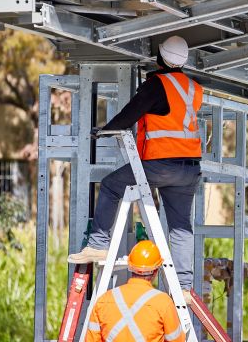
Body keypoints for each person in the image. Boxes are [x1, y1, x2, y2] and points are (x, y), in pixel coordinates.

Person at [67, 35, 202, 301]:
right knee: (180, 227)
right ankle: (184, 287)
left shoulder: (157, 85)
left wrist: (105, 131)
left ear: (160, 58)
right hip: (190, 168)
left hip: (162, 163)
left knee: (111, 185)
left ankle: (98, 245)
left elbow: (131, 112)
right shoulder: (193, 87)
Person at [86, 240, 185, 342]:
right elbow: (177, 340)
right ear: (155, 271)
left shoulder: (103, 300)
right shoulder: (163, 302)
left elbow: (91, 339)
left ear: (130, 267)